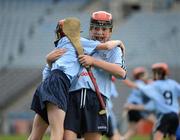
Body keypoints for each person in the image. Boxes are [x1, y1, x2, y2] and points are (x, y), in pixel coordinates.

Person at [28, 17, 124, 140]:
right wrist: (119, 42)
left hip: (48, 86)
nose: (99, 32)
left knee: (36, 134)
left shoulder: (60, 47)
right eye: (96, 28)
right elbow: (106, 46)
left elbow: (121, 73)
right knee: (57, 133)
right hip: (64, 89)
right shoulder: (79, 42)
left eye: (104, 29)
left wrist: (48, 62)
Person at [128, 63, 180, 140]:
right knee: (172, 137)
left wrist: (124, 78)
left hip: (164, 115)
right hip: (175, 115)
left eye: (156, 72)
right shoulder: (173, 83)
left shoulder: (155, 85)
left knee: (157, 136)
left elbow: (139, 87)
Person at [122, 67, 156, 140]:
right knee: (156, 122)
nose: (147, 75)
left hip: (133, 107)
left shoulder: (142, 84)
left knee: (132, 130)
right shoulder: (140, 83)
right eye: (145, 74)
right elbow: (149, 93)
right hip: (135, 107)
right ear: (141, 76)